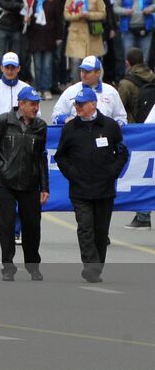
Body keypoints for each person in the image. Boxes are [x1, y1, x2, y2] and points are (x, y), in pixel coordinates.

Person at [55, 88, 129, 284]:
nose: (77, 107)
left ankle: (97, 267)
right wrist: (72, 174)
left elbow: (122, 152)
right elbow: (60, 156)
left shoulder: (110, 126)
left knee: (101, 231)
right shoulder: (70, 128)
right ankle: (90, 265)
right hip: (80, 189)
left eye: (81, 104)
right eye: (76, 104)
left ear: (93, 105)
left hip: (104, 189)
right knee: (85, 227)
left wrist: (112, 172)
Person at [0, 87, 49, 282]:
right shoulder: (3, 121)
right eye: (32, 104)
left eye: (37, 104)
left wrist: (44, 187)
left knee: (33, 226)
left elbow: (41, 158)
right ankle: (8, 267)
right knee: (7, 225)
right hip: (5, 184)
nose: (36, 107)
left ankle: (33, 266)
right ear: (21, 103)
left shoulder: (41, 126)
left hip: (30, 183)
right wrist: (2, 166)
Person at [53, 56, 128, 125]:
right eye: (82, 71)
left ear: (98, 73)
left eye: (87, 72)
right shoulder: (71, 91)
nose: (83, 75)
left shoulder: (111, 92)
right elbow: (56, 115)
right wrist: (66, 119)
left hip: (104, 136)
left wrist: (110, 128)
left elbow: (121, 118)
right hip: (78, 135)